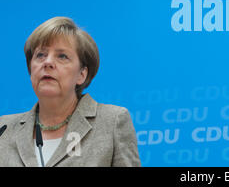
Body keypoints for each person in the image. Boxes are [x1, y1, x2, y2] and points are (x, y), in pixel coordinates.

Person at [0, 17, 141, 167]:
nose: (47, 62)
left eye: (62, 56)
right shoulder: (4, 129)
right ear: (30, 69)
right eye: (41, 55)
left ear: (82, 74)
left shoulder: (111, 122)